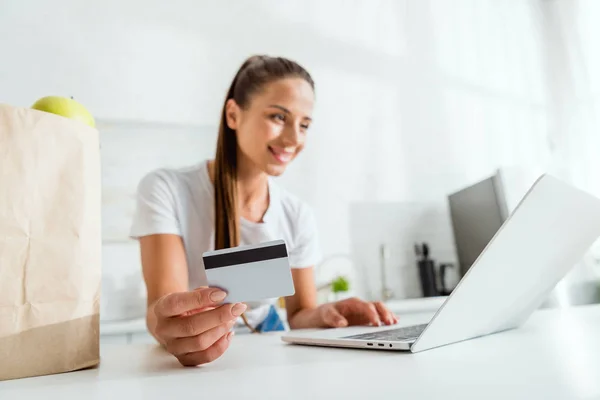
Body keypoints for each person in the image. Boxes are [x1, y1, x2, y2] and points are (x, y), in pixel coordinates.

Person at [130, 55, 398, 367]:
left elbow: (299, 314)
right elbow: (161, 309)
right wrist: (176, 329)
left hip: (268, 362)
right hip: (194, 369)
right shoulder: (167, 189)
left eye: (305, 124)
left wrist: (327, 313)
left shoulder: (298, 214)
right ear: (233, 114)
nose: (294, 139)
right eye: (278, 117)